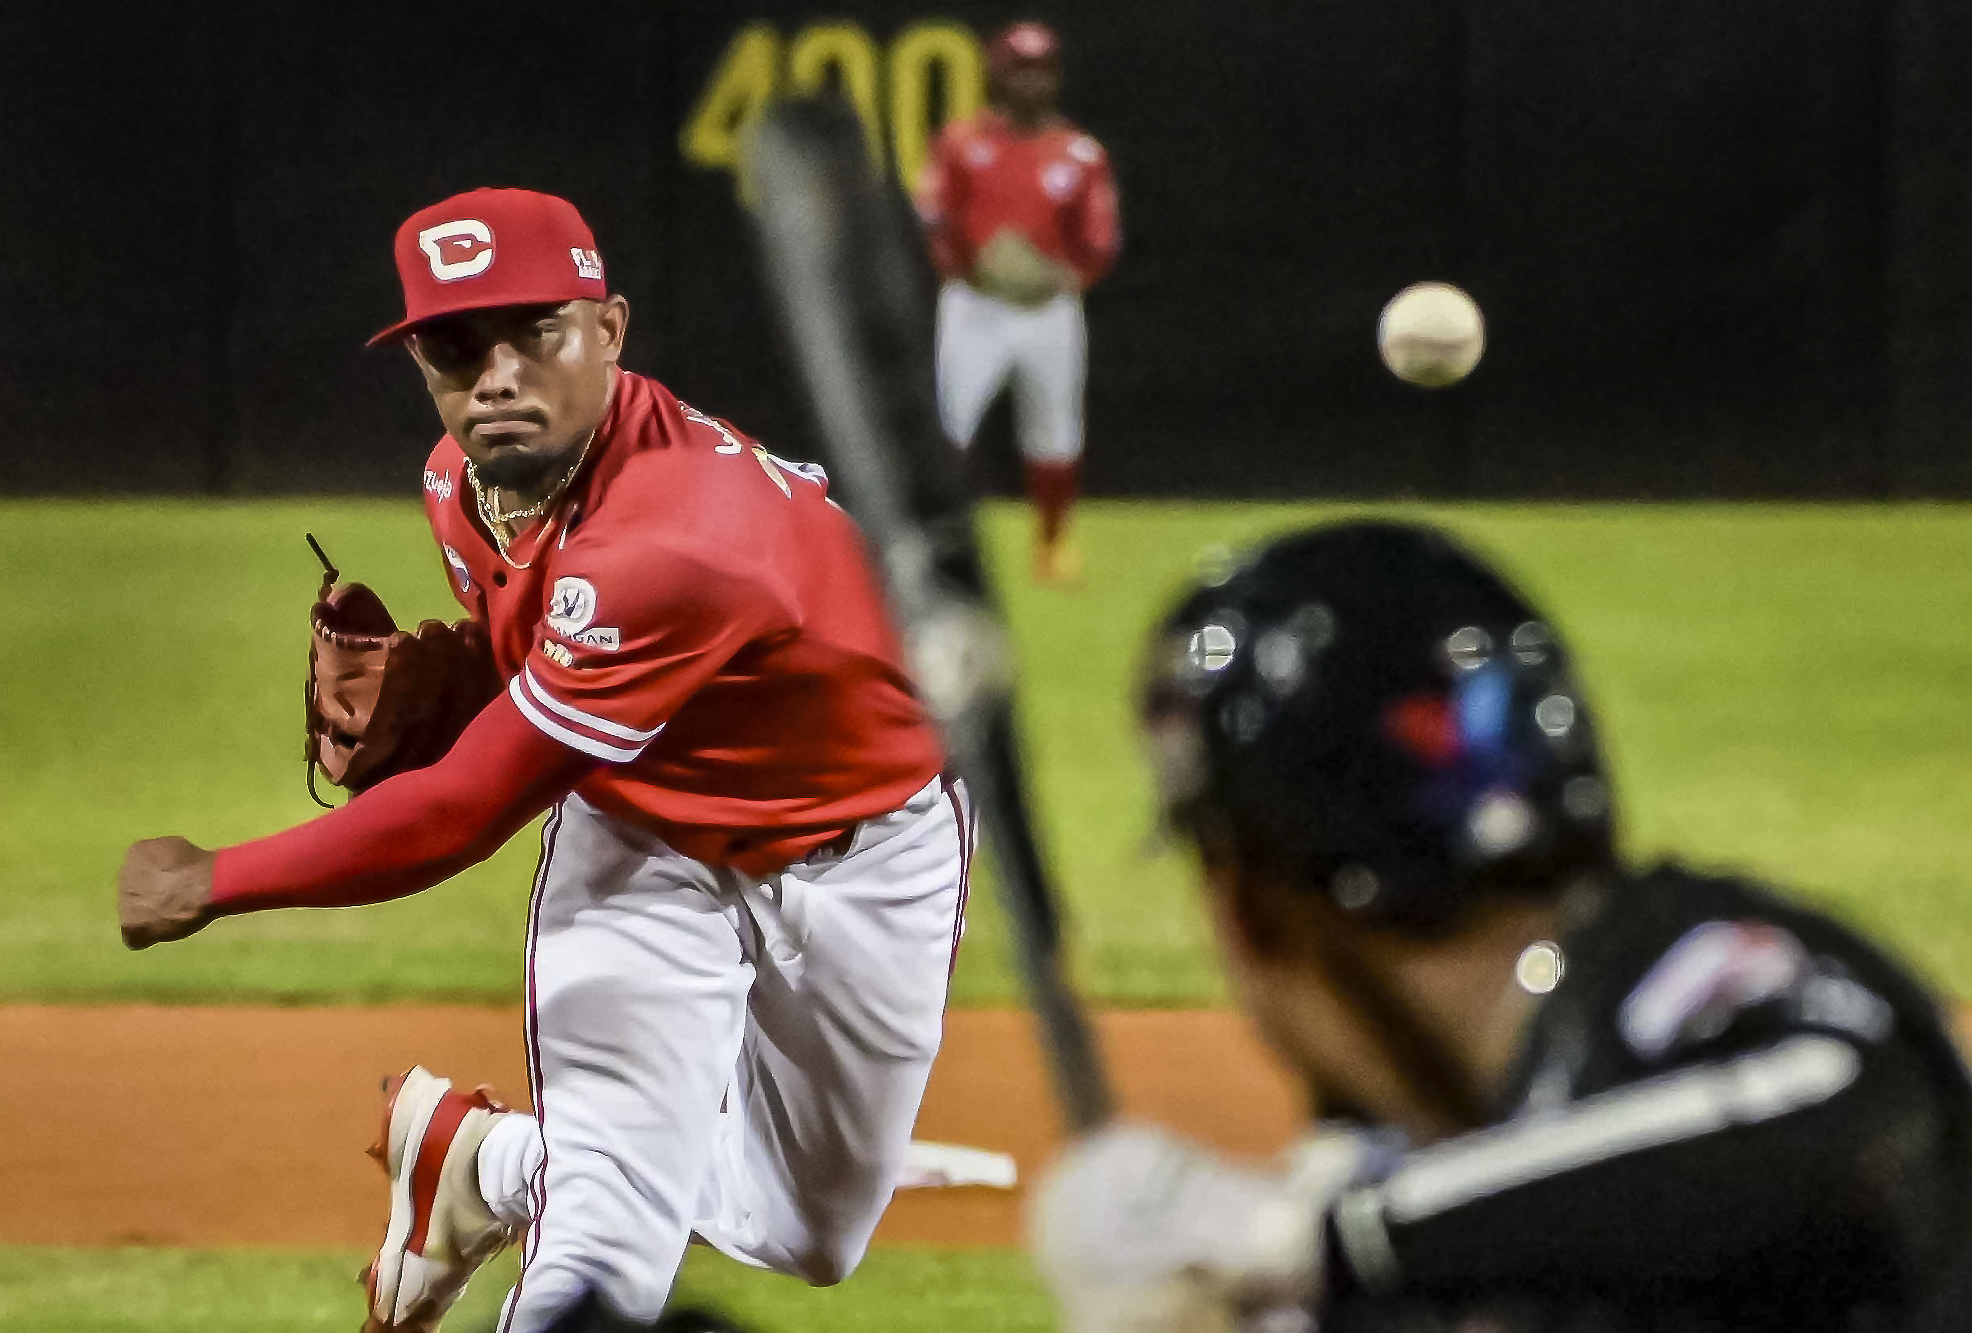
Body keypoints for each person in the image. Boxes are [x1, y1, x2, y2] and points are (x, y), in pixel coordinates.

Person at [116, 187, 974, 1333]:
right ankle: (563, 1185)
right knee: (609, 1236)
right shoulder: (458, 483)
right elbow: (554, 644)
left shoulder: (676, 533)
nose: (498, 375)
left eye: (537, 331)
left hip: (862, 850)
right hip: (639, 840)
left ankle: (482, 1162)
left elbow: (463, 807)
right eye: (455, 346)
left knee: (806, 1232)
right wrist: (479, 662)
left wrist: (217, 877)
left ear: (610, 331)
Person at [1030, 519, 1972, 1332]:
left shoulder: (1672, 974)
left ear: (1250, 911)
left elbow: (1841, 1105)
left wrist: (1319, 1241)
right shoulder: (1443, 1219)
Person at [914, 20, 1121, 586]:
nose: (1032, 82)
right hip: (974, 306)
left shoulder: (1079, 153)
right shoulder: (960, 143)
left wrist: (1062, 273)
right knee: (950, 427)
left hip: (1048, 309)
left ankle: (1053, 544)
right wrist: (969, 263)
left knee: (1055, 431)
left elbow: (1101, 239)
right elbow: (933, 215)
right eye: (1021, 70)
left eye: (1043, 70)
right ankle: (939, 541)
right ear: (998, 75)